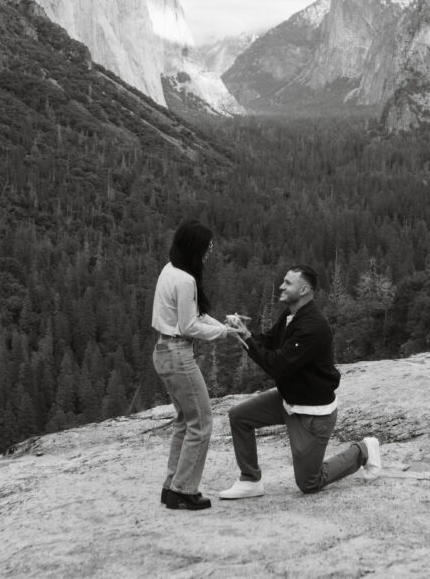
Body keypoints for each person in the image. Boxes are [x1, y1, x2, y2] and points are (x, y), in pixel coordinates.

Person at [219, 264, 381, 499]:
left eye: (288, 283)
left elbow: (277, 366)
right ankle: (250, 480)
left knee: (309, 483)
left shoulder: (312, 327)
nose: (281, 286)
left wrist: (247, 339)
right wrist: (245, 332)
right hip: (289, 399)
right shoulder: (290, 315)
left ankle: (364, 450)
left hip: (312, 414)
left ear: (304, 290)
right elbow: (270, 342)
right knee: (239, 416)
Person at [152, 219, 247, 511]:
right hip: (179, 353)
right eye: (208, 245)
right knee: (202, 422)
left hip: (164, 351)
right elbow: (190, 325)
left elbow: (194, 316)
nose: (211, 250)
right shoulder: (185, 280)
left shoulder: (171, 270)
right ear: (196, 247)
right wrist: (224, 332)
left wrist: (223, 326)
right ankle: (184, 489)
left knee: (185, 421)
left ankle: (172, 486)